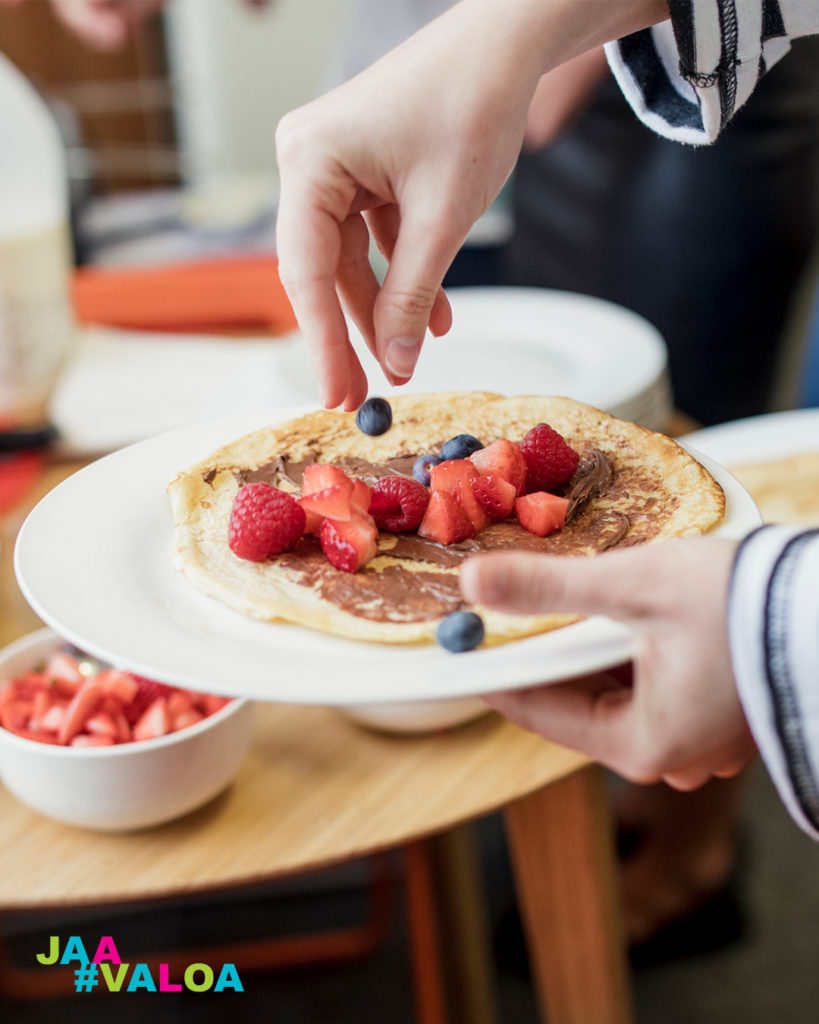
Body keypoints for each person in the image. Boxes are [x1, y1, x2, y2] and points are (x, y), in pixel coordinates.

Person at [273, 0, 819, 843]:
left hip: (664, 103)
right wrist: (510, 35)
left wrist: (525, 33)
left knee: (702, 437)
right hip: (561, 64)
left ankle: (693, 852)